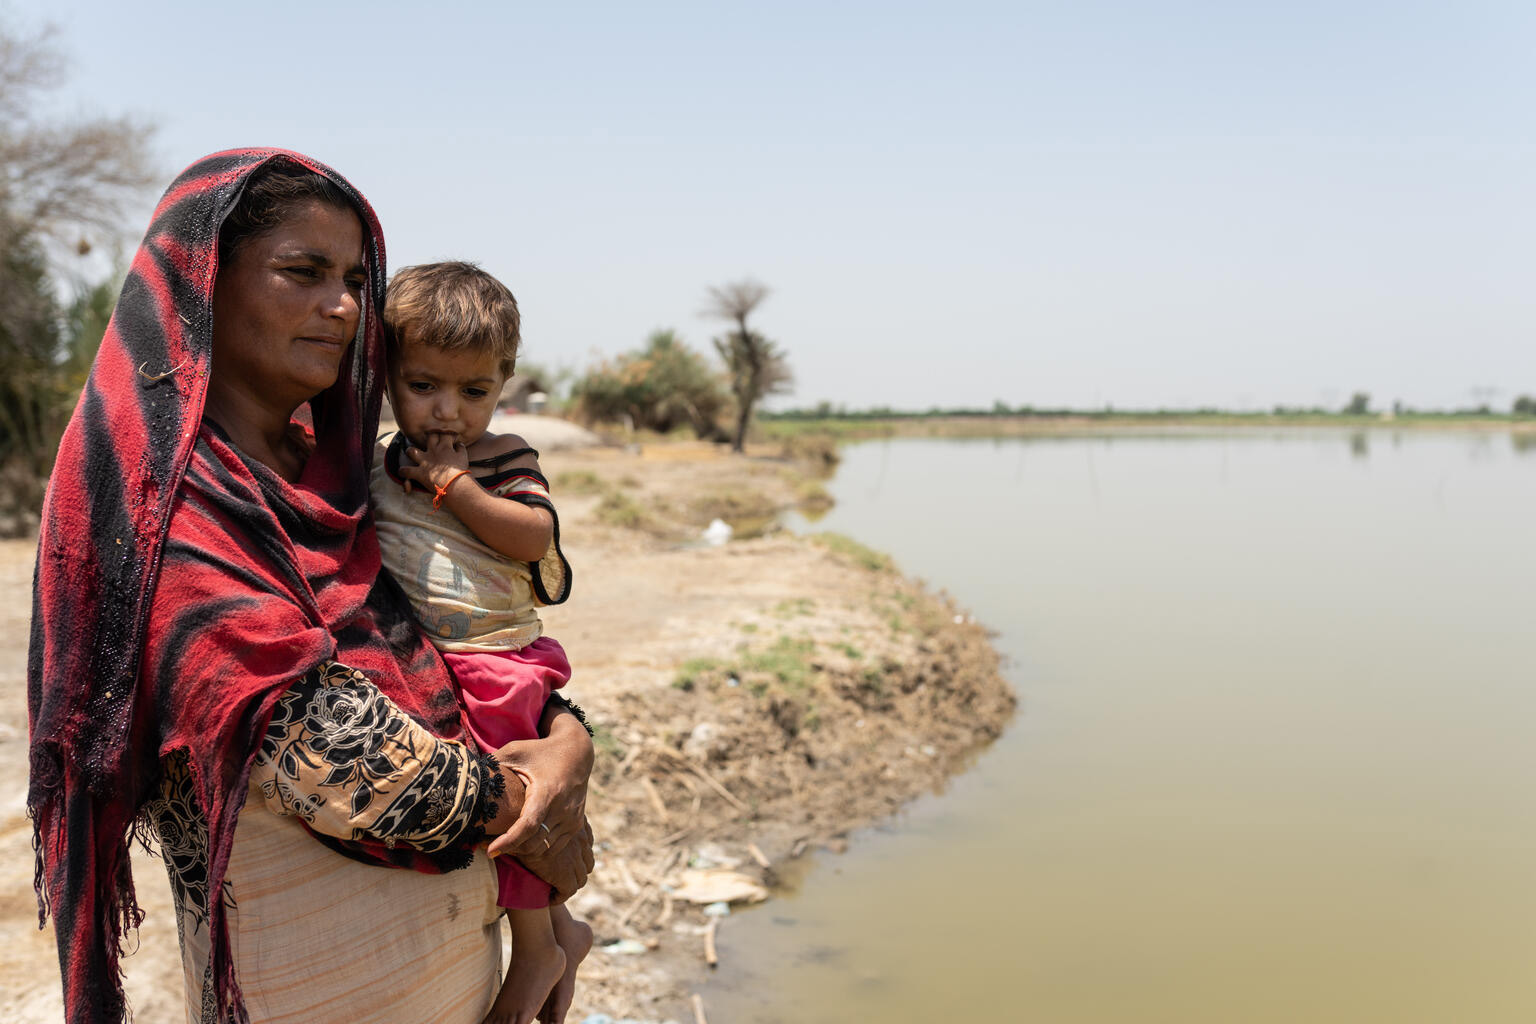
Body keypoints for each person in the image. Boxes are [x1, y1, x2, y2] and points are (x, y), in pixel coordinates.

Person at [27, 149, 594, 1024]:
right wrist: (540, 809)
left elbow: (469, 640)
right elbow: (347, 765)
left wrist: (567, 745)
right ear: (206, 287)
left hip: (454, 978)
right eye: (304, 272)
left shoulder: (344, 480)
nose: (343, 306)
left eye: (356, 280)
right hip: (307, 987)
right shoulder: (178, 513)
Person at [372, 261, 589, 1024]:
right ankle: (564, 926)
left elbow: (535, 536)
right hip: (437, 659)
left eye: (474, 392)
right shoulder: (380, 461)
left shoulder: (501, 457)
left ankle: (535, 950)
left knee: (512, 792)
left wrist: (457, 489)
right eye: (424, 385)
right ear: (388, 376)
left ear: (503, 385)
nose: (447, 412)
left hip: (498, 658)